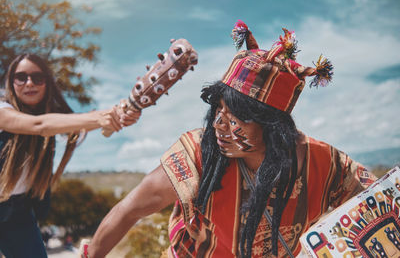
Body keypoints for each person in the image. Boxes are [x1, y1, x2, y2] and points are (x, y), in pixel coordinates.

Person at [83, 20, 376, 258]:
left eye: (238, 116)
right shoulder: (198, 153)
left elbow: (380, 201)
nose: (220, 125)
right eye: (218, 110)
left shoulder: (321, 161)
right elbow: (130, 209)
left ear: (273, 126)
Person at [0, 53, 140, 258]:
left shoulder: (53, 117)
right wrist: (100, 117)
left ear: (47, 83)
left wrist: (122, 112)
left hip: (18, 212)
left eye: (37, 77)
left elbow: (76, 124)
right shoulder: (3, 109)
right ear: (11, 82)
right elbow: (39, 126)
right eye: (21, 77)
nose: (29, 83)